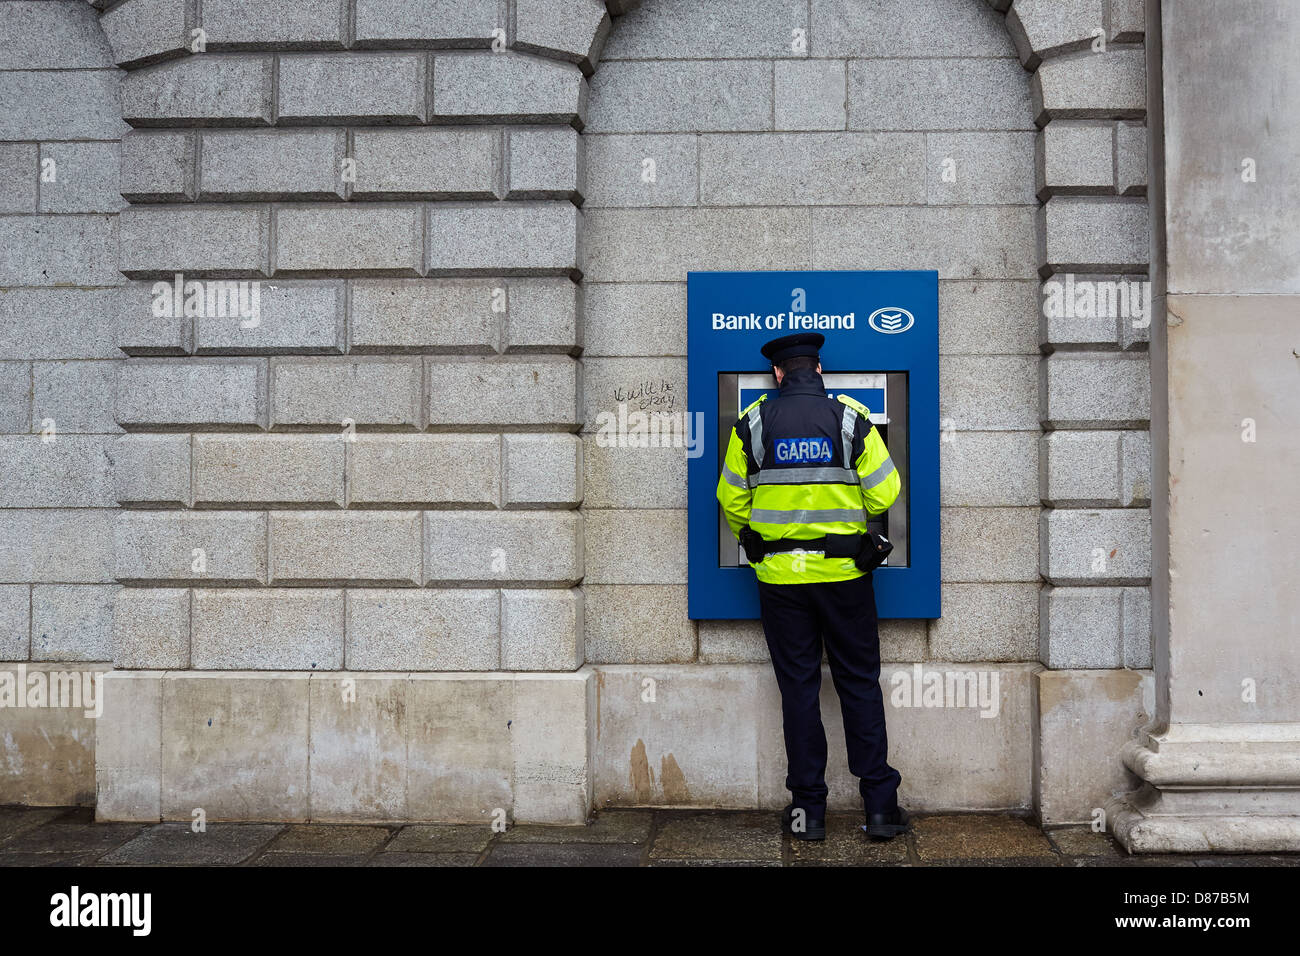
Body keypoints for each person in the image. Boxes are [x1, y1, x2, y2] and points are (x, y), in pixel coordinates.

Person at [715, 332, 910, 842]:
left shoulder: (752, 422)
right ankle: (882, 809)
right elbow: (886, 489)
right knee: (859, 683)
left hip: (781, 580)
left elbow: (731, 498)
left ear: (778, 374)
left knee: (799, 689)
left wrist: (754, 540)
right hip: (844, 576)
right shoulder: (850, 417)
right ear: (817, 370)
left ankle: (808, 813)